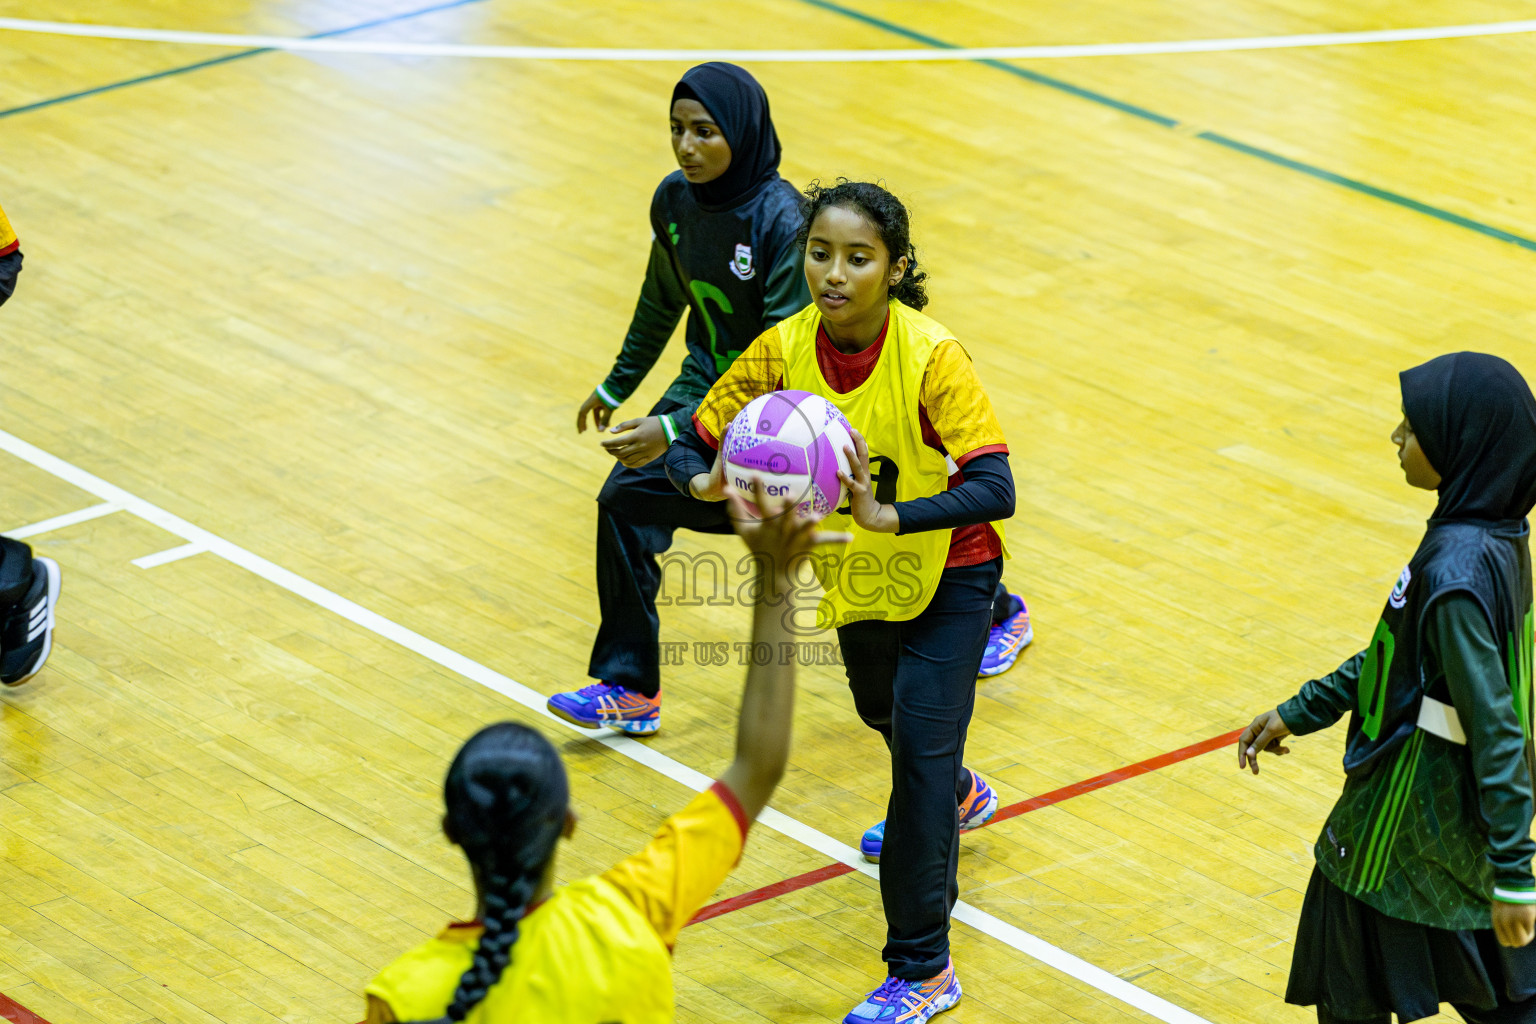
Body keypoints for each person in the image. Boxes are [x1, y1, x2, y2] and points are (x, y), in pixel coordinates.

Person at [666, 179, 1014, 1024]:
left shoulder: (934, 356)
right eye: (820, 253)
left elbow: (996, 485)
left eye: (858, 258)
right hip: (858, 578)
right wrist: (704, 479)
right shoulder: (778, 350)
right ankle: (961, 790)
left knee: (917, 774)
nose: (834, 272)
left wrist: (889, 514)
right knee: (882, 715)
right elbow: (695, 438)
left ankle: (923, 969)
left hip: (952, 573)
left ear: (894, 269)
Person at [363, 479, 849, 1023]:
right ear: (568, 822)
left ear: (452, 831)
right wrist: (777, 583)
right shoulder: (627, 914)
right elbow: (759, 766)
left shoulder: (403, 997)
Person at [1237, 352, 1536, 1024]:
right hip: (1459, 827)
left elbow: (1496, 728)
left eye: (1413, 427)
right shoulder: (1498, 532)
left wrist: (1518, 869)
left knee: (1351, 998)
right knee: (1510, 997)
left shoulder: (1456, 570)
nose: (1396, 437)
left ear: (1460, 446)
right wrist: (1302, 709)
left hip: (1401, 825)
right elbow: (1398, 657)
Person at [548, 62, 811, 737]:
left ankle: (991, 607)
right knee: (623, 502)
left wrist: (672, 427)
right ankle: (630, 688)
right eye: (676, 130)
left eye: (704, 131)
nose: (686, 146)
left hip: (786, 414)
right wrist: (618, 380)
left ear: (743, 134)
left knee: (865, 535)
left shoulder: (783, 220)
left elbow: (781, 358)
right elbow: (664, 294)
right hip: (702, 393)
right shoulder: (674, 201)